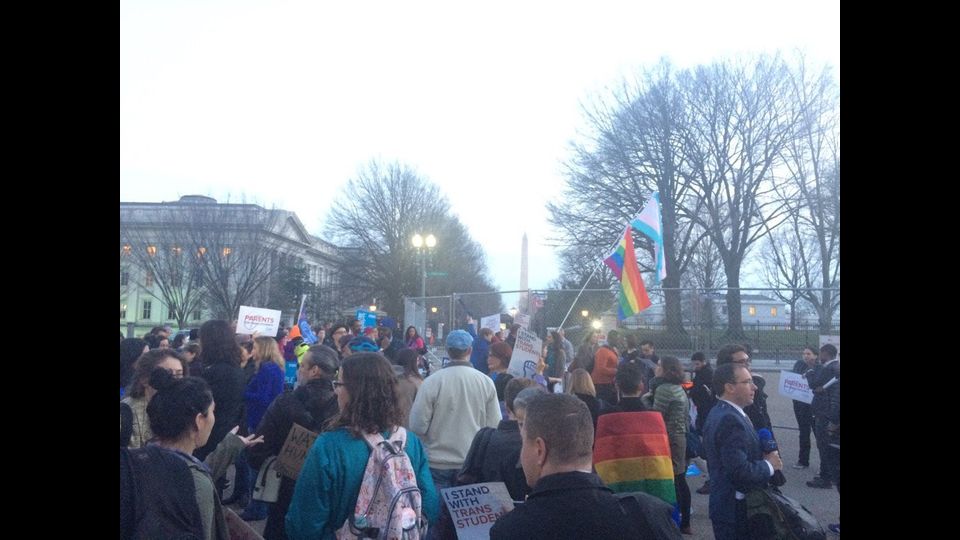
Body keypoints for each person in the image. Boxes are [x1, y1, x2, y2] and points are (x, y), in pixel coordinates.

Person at [285, 353, 440, 539]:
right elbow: (429, 505)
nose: (335, 391)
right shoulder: (410, 442)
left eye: (339, 384)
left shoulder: (329, 446)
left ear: (355, 392)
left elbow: (304, 523)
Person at [122, 369, 262, 540]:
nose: (213, 418)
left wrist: (231, 445)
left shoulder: (142, 456)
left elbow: (193, 471)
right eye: (212, 412)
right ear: (199, 421)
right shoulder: (195, 483)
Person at [489, 393, 647, 540]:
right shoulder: (643, 515)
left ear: (540, 450)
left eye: (523, 442)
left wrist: (518, 518)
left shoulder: (510, 531)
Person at [248, 344, 341, 540]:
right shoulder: (343, 408)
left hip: (285, 491)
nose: (298, 370)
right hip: (328, 496)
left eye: (301, 365)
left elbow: (258, 448)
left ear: (314, 370)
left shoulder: (284, 403)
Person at [409, 330, 501, 491]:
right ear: (470, 351)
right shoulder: (485, 382)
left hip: (436, 462)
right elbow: (494, 425)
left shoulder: (432, 382)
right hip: (471, 462)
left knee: (436, 512)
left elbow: (417, 426)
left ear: (448, 350)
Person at [702, 363, 783, 540]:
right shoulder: (730, 420)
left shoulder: (724, 412)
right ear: (729, 387)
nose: (754, 387)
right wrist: (769, 465)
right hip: (736, 511)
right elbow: (739, 471)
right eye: (747, 382)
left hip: (729, 506)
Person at [651, 357, 692, 534]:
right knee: (681, 478)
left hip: (669, 437)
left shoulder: (663, 389)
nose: (656, 368)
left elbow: (656, 415)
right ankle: (686, 521)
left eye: (659, 365)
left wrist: (645, 399)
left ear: (665, 370)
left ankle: (677, 520)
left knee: (674, 479)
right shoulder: (677, 388)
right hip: (680, 435)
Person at [121, 349, 188, 448]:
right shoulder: (125, 413)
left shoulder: (184, 411)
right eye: (166, 375)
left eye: (179, 375)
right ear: (144, 379)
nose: (174, 381)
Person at [791, 347, 818, 469]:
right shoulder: (799, 364)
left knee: (819, 434)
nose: (805, 356)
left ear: (816, 355)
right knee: (803, 432)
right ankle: (803, 460)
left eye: (809, 354)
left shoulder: (819, 367)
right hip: (800, 403)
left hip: (814, 406)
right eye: (804, 353)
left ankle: (825, 465)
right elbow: (793, 378)